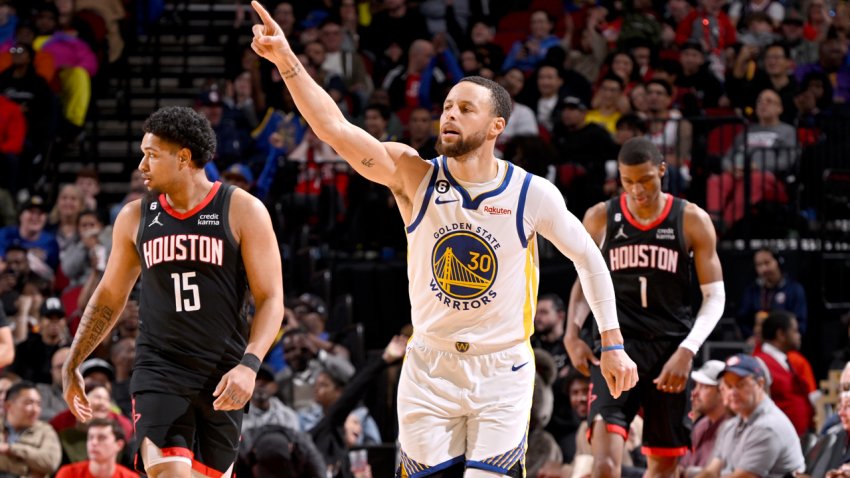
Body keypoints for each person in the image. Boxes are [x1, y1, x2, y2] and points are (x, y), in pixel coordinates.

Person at [249, 3, 639, 476]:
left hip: (502, 368)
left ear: (496, 126)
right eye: (447, 107)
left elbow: (588, 257)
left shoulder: (530, 193)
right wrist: (286, 60)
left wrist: (612, 341)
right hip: (429, 366)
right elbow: (335, 130)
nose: (450, 115)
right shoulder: (412, 175)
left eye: (465, 109)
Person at [61, 105, 285, 478]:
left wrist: (250, 365)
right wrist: (73, 362)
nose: (141, 165)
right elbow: (110, 296)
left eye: (151, 155)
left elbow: (271, 299)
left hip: (222, 372)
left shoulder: (243, 210)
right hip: (159, 368)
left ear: (183, 158)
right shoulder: (135, 216)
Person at [565, 138, 725, 478]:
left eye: (646, 180)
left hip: (669, 348)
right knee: (604, 464)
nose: (637, 189)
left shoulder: (691, 219)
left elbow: (715, 296)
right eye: (628, 181)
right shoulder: (600, 217)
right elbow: (584, 280)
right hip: (616, 347)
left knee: (664, 466)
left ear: (662, 171)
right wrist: (572, 333)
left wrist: (687, 350)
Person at [696, 354, 804, 478]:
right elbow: (711, 471)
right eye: (729, 386)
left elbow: (743, 477)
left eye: (740, 385)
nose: (733, 392)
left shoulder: (768, 426)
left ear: (760, 384)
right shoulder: (733, 424)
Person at [679, 360, 731, 477]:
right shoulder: (701, 425)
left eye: (704, 387)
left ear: (722, 391)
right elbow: (682, 467)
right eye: (696, 385)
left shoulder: (732, 429)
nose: (694, 393)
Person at [0, 381, 62, 476]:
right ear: (8, 406)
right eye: (28, 403)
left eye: (38, 404)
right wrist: (28, 468)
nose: (35, 410)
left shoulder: (45, 431)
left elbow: (51, 462)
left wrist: (9, 449)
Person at [54, 418, 138, 478]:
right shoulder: (68, 473)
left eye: (102, 438)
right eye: (91, 437)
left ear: (119, 445)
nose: (94, 443)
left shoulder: (130, 477)